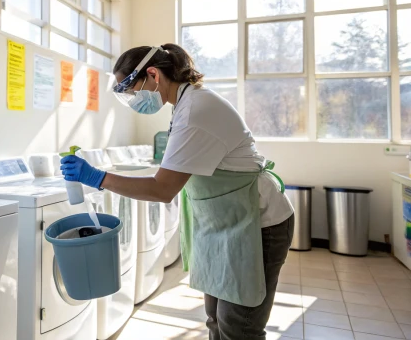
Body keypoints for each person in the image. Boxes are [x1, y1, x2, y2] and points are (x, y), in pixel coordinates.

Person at [61, 44, 295, 340]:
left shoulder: (195, 110)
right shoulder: (185, 104)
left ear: (153, 74)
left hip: (259, 224)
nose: (132, 100)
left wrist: (95, 177)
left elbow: (162, 189)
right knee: (215, 320)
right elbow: (170, 174)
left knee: (239, 328)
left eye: (130, 91)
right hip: (227, 224)